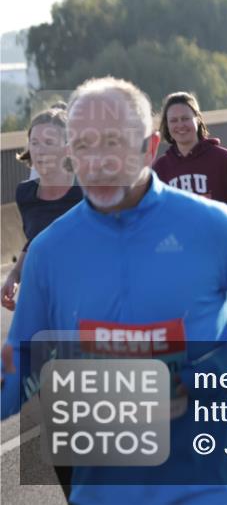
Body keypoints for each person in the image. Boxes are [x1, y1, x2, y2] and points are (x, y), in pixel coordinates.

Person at [1, 77, 227, 504]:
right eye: (84, 145)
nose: (98, 161)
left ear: (148, 147)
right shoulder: (51, 249)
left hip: (209, 483)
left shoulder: (210, 224)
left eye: (113, 142)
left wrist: (220, 370)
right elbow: (23, 357)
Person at [2, 106, 81, 502]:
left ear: (68, 146)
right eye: (35, 142)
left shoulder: (89, 190)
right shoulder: (26, 195)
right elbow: (35, 242)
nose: (42, 149)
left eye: (50, 141)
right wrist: (14, 275)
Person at [152, 91, 227, 326]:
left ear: (198, 120)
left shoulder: (224, 160)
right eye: (173, 120)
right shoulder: (161, 169)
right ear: (166, 126)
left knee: (224, 336)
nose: (180, 125)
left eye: (185, 118)